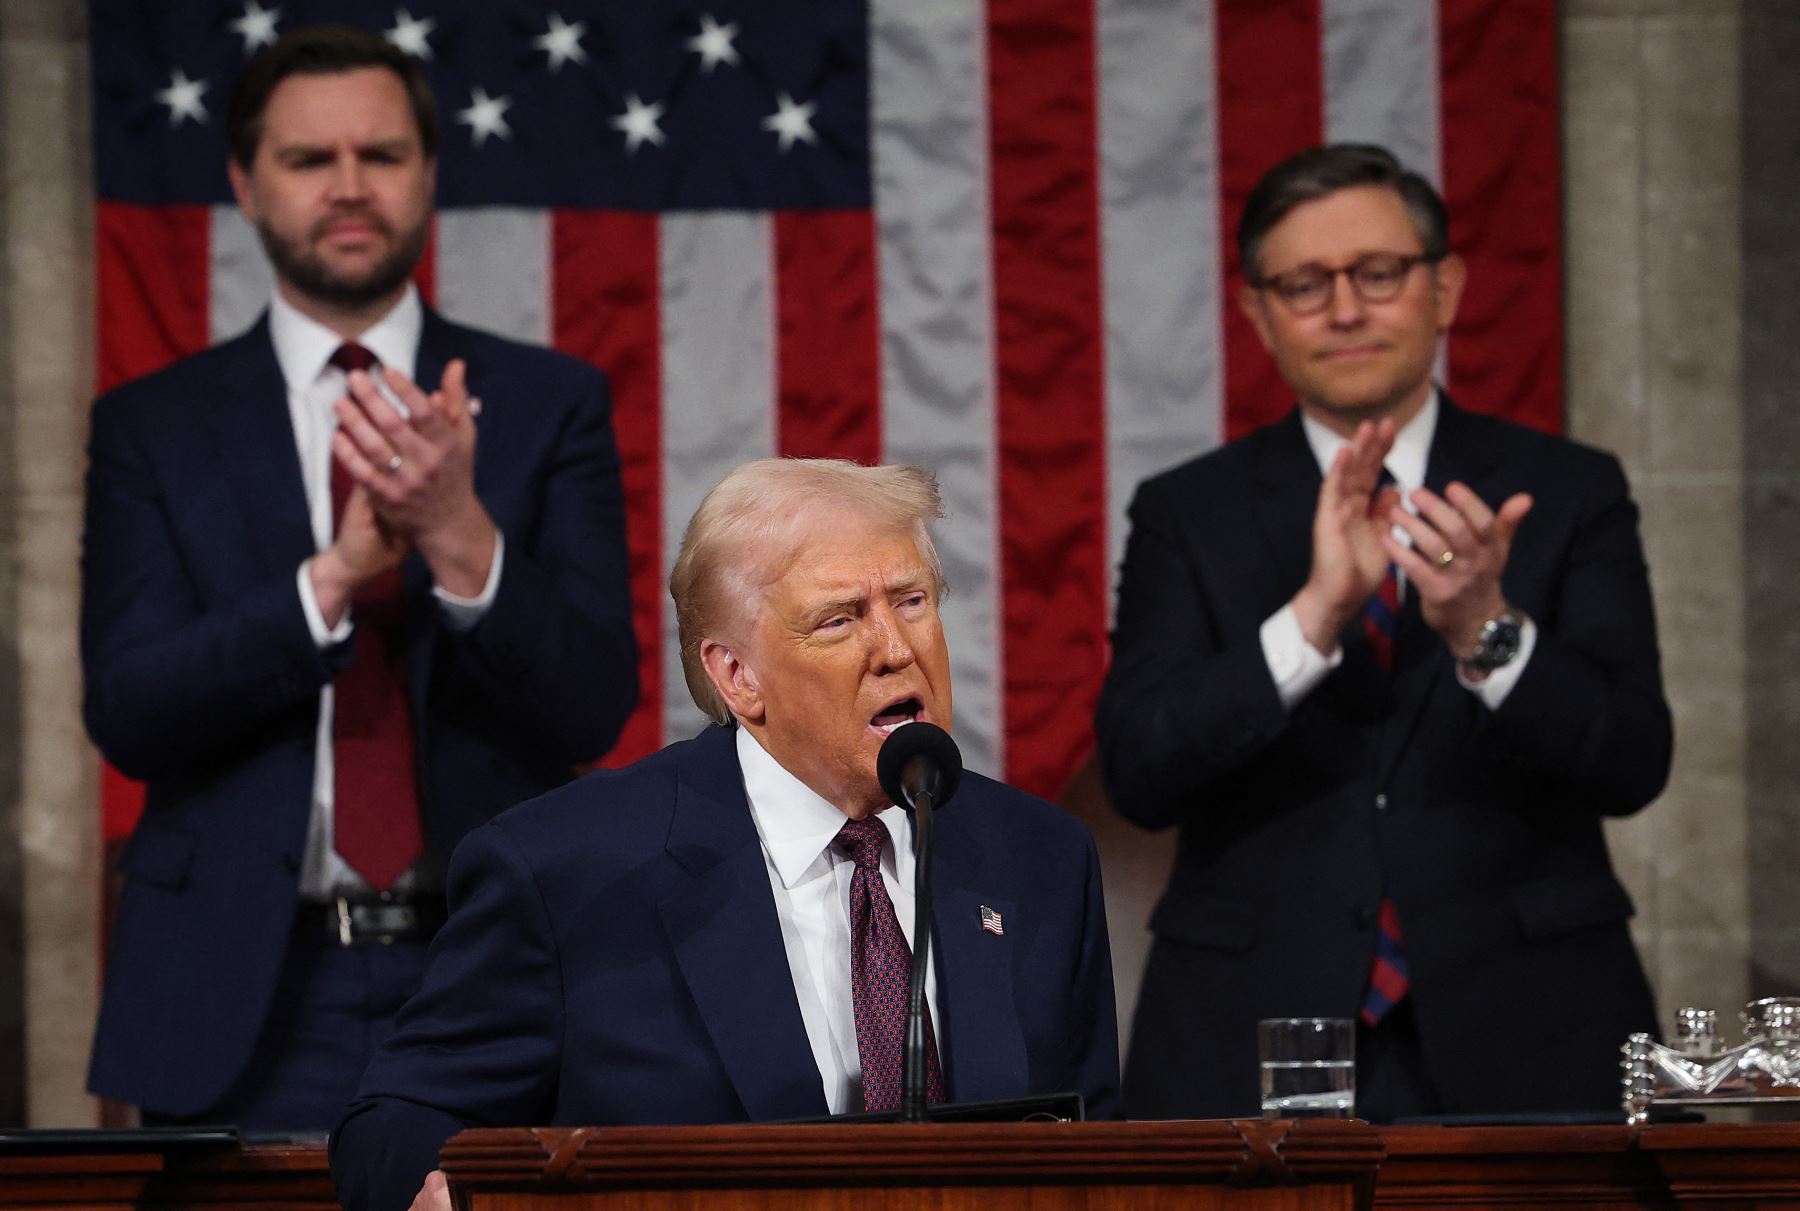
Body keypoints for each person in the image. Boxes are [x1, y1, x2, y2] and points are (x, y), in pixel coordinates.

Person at [81, 25, 637, 1133]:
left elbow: (594, 701)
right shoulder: (153, 425)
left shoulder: (546, 403)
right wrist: (331, 579)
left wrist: (462, 537)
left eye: (381, 155)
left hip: (492, 970)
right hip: (246, 990)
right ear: (245, 183)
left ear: (429, 173)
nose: (348, 188)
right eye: (308, 159)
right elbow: (131, 710)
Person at [330, 459, 1120, 1211]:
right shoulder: (565, 871)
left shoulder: (1039, 857)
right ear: (737, 676)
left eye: (912, 601)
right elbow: (396, 1119)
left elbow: (1100, 1152)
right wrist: (436, 1187)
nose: (896, 647)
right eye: (839, 618)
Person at [1096, 144, 1669, 1122]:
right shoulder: (1188, 512)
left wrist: (1486, 628)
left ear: (1442, 288)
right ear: (1258, 314)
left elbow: (1632, 759)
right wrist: (1312, 620)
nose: (1346, 308)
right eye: (1305, 284)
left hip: (1532, 1031)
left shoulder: (1568, 491)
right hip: (1252, 1033)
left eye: (1377, 273)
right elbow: (1140, 772)